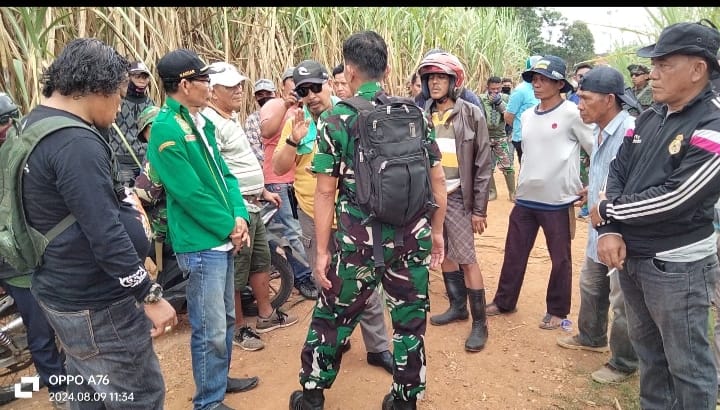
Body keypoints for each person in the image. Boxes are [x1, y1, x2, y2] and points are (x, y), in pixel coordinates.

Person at [289, 30, 447, 410]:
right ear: (387, 69)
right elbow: (437, 180)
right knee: (410, 321)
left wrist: (322, 251)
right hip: (413, 237)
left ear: (349, 72)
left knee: (333, 315)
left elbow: (325, 191)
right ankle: (405, 400)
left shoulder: (336, 119)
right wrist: (437, 232)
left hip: (358, 244)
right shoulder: (415, 116)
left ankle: (311, 395)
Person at [21, 38, 176, 409]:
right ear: (96, 88)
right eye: (119, 95)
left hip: (59, 292)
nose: (121, 103)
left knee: (88, 388)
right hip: (98, 304)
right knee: (138, 397)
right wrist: (149, 295)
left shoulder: (33, 123)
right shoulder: (74, 142)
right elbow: (105, 233)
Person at [590, 21, 720, 409]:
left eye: (664, 65)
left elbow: (676, 197)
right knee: (651, 358)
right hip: (632, 256)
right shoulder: (650, 115)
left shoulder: (712, 124)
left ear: (697, 69)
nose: (653, 73)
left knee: (689, 367)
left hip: (676, 267)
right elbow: (618, 170)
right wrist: (609, 227)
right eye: (655, 64)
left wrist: (606, 211)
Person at [147, 48, 259, 410]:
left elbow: (225, 175)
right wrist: (230, 225)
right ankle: (208, 402)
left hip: (222, 236)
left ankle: (217, 381)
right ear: (184, 84)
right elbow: (189, 193)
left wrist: (238, 216)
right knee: (209, 326)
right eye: (203, 80)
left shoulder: (199, 121)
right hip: (200, 244)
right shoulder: (166, 129)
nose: (209, 87)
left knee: (224, 318)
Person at [272, 59, 394, 375]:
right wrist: (293, 139)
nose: (311, 95)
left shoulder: (350, 114)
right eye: (303, 90)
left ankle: (378, 347)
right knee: (327, 283)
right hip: (314, 219)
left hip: (354, 219)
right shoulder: (295, 121)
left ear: (330, 83)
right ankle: (335, 341)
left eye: (315, 87)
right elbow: (279, 168)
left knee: (365, 285)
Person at [486, 55, 594, 330]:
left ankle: (558, 310)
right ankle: (504, 301)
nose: (537, 83)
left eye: (544, 79)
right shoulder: (527, 115)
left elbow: (597, 149)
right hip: (525, 198)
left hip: (558, 201)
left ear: (560, 84)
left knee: (560, 258)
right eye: (534, 78)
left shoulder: (572, 114)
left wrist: (594, 184)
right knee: (514, 253)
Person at [203, 61, 298, 351]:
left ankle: (266, 315)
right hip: (237, 210)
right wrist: (235, 209)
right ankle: (239, 327)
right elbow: (215, 173)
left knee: (260, 262)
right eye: (231, 86)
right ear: (212, 91)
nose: (239, 90)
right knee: (236, 270)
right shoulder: (208, 122)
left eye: (239, 85)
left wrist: (262, 192)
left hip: (253, 204)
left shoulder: (229, 118)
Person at [554, 66, 639, 384]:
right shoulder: (601, 129)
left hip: (619, 233)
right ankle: (590, 337)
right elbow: (612, 174)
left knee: (622, 299)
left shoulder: (631, 132)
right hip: (597, 228)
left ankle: (624, 361)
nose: (579, 104)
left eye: (585, 98)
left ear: (609, 99)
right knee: (591, 285)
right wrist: (594, 189)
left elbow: (633, 184)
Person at [418, 52, 492, 352]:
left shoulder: (471, 114)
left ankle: (480, 323)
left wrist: (479, 209)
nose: (434, 82)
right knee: (444, 250)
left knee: (467, 258)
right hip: (431, 197)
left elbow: (483, 164)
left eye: (441, 77)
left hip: (459, 196)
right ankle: (457, 306)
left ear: (454, 81)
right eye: (430, 77)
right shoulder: (421, 113)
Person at [0, 92, 68, 410]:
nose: (5, 128)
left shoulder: (25, 144)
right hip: (15, 263)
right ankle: (59, 392)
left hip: (42, 251)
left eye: (8, 121)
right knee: (40, 330)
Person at [260, 67, 319, 300]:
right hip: (278, 180)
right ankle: (304, 277)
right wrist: (286, 105)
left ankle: (309, 273)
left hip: (297, 182)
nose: (299, 88)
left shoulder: (310, 108)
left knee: (299, 232)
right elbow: (266, 132)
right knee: (292, 233)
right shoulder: (275, 105)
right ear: (284, 85)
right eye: (294, 83)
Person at [102, 60, 155, 186]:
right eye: (137, 76)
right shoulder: (117, 101)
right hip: (122, 161)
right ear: (128, 78)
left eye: (145, 77)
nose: (142, 81)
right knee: (126, 198)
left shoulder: (150, 104)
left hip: (145, 160)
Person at [479, 75, 515, 201]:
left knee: (507, 164)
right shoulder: (481, 99)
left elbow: (509, 114)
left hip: (500, 136)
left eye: (497, 89)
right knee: (487, 166)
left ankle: (512, 192)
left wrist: (499, 103)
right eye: (492, 89)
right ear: (487, 87)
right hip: (485, 137)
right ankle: (492, 191)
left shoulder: (505, 98)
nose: (495, 92)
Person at [505, 55, 541, 164]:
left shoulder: (544, 89)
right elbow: (508, 116)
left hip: (540, 137)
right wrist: (519, 127)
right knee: (527, 171)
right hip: (523, 139)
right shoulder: (521, 91)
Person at [244, 78, 276, 165]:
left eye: (268, 93)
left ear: (275, 94)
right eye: (260, 95)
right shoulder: (252, 120)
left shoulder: (285, 113)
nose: (265, 97)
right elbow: (254, 149)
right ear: (256, 98)